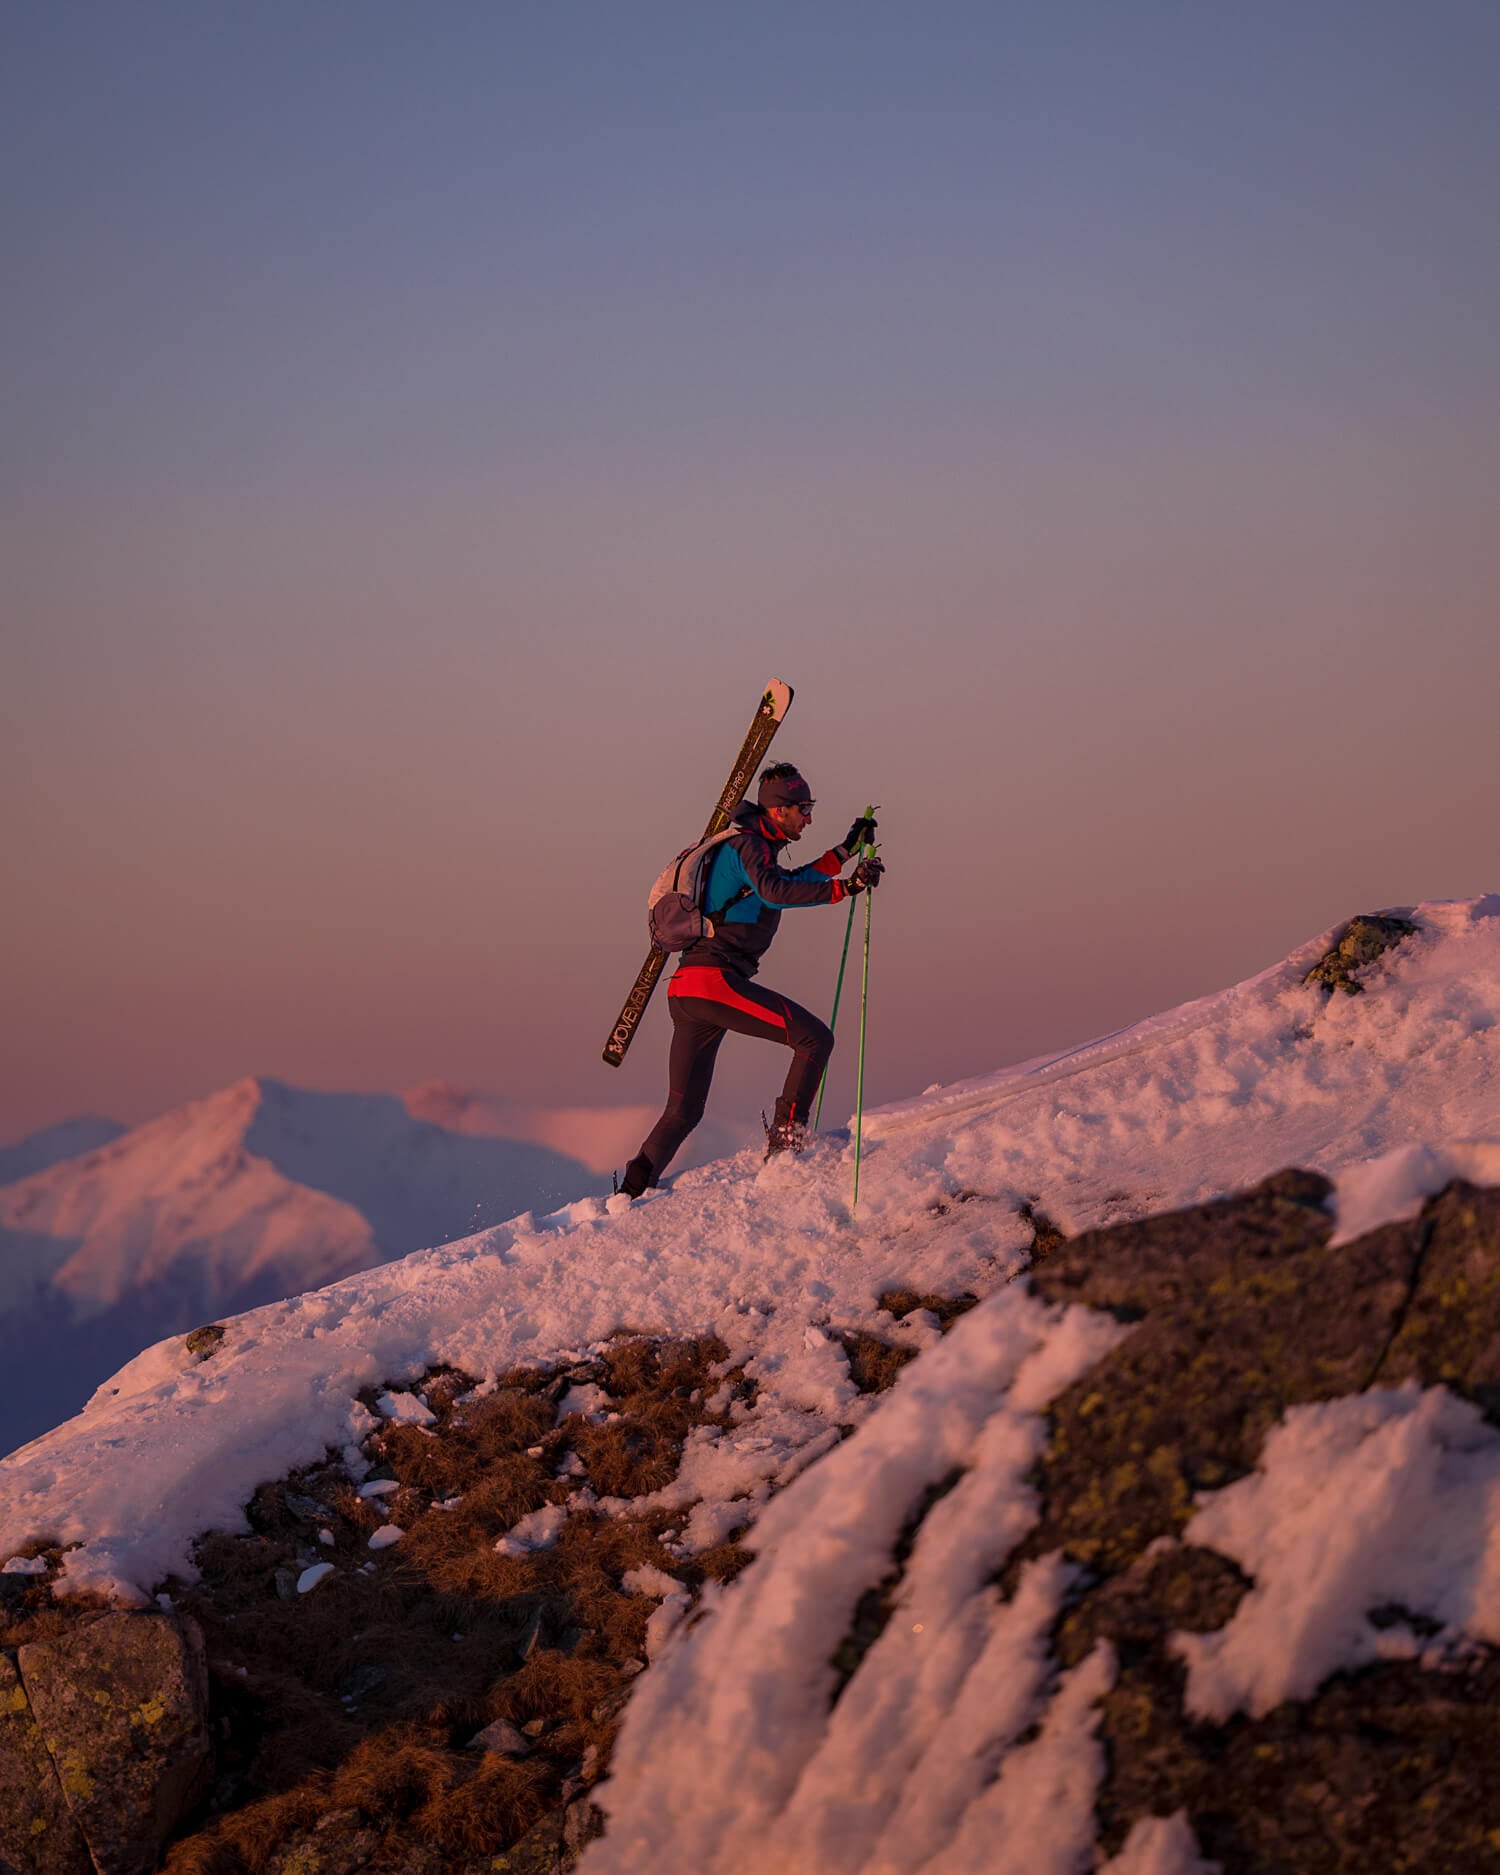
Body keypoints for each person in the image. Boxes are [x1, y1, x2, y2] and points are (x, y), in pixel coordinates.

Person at [619, 763, 883, 1198]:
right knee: (815, 1039)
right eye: (805, 808)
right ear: (778, 810)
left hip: (686, 988)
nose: (809, 817)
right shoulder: (748, 845)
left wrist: (844, 852)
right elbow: (774, 893)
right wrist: (846, 888)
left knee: (683, 1109)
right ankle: (785, 1150)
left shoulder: (752, 849)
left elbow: (787, 882)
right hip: (713, 981)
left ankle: (628, 1194)